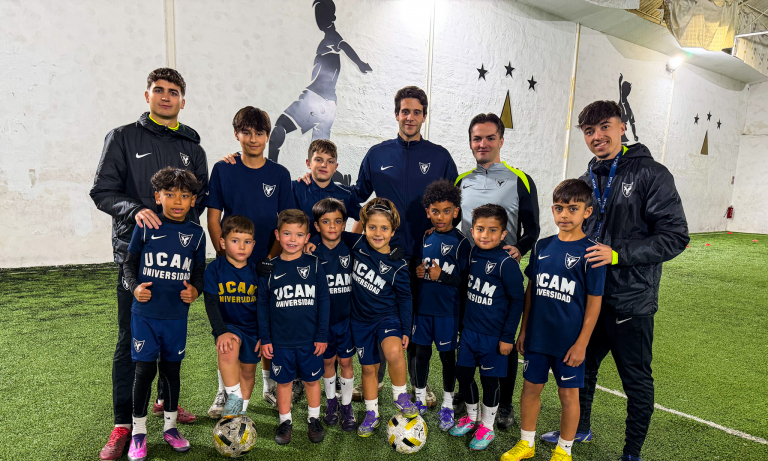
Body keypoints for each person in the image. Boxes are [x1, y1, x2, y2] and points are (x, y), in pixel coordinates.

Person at [538, 100, 688, 461]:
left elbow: (676, 236)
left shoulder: (653, 173)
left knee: (635, 382)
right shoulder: (589, 177)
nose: (597, 136)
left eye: (604, 127)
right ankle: (581, 428)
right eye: (589, 131)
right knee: (582, 366)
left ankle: (632, 452)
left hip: (630, 302)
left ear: (622, 127)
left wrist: (617, 253)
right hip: (589, 299)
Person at [90, 68, 207, 460]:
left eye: (174, 92)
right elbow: (102, 190)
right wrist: (136, 209)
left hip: (176, 265)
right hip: (137, 258)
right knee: (131, 340)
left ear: (182, 101)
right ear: (148, 96)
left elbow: (199, 200)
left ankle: (165, 405)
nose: (166, 96)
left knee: (171, 338)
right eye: (159, 90)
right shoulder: (123, 137)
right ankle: (124, 423)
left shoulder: (193, 145)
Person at [347, 85, 458, 405]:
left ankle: (418, 386)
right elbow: (355, 199)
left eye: (417, 112)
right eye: (405, 111)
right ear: (396, 114)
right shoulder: (378, 154)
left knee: (416, 321)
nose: (410, 117)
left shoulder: (440, 157)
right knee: (381, 316)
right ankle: (376, 378)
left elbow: (451, 205)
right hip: (382, 254)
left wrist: (446, 247)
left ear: (424, 116)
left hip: (424, 256)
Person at [501, 179, 606, 461]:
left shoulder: (592, 252)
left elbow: (594, 304)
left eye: (573, 209)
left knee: (568, 397)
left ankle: (564, 450)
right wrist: (524, 330)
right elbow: (531, 291)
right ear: (552, 209)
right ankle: (526, 443)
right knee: (530, 390)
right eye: (559, 208)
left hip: (569, 342)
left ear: (587, 212)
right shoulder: (542, 246)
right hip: (537, 337)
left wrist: (582, 343)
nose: (564, 215)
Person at [454, 112, 540, 427]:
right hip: (468, 276)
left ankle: (503, 406)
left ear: (501, 140)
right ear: (470, 142)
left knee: (502, 344)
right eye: (477, 138)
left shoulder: (521, 179)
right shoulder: (461, 181)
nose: (483, 143)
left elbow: (533, 227)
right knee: (467, 335)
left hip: (501, 280)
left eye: (490, 137)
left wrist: (522, 247)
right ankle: (466, 395)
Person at [206, 106, 296, 409]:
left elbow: (285, 222)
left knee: (268, 323)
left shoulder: (280, 174)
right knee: (229, 324)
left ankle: (270, 385)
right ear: (236, 134)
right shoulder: (223, 169)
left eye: (259, 133)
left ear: (268, 136)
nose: (253, 138)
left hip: (266, 263)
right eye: (246, 132)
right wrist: (224, 255)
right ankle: (225, 392)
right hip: (233, 262)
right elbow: (214, 216)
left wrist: (270, 258)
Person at [121, 168, 206, 460]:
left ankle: (170, 429)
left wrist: (195, 290)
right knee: (144, 372)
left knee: (172, 371)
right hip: (145, 315)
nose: (177, 201)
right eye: (170, 194)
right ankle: (138, 433)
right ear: (158, 197)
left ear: (193, 200)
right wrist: (134, 289)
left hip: (176, 317)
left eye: (184, 195)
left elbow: (199, 272)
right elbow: (128, 265)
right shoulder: (145, 226)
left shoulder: (196, 233)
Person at [449, 204, 525, 451]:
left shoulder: (507, 263)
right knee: (464, 375)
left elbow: (517, 300)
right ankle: (471, 418)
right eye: (480, 229)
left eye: (493, 230)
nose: (485, 235)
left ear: (504, 234)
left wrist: (507, 338)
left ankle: (487, 427)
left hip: (493, 338)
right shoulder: (473, 254)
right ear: (473, 230)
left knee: (490, 382)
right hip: (469, 333)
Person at [341, 198, 418, 437]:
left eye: (384, 228)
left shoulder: (398, 264)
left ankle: (401, 396)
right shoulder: (355, 245)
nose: (377, 233)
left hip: (387, 317)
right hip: (360, 321)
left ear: (393, 231)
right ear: (363, 227)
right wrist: (311, 245)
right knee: (368, 368)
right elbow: (328, 237)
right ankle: (372, 413)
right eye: (372, 227)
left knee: (394, 352)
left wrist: (406, 329)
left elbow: (405, 298)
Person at [269, 0, 372, 168]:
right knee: (320, 153)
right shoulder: (329, 38)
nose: (319, 20)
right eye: (317, 16)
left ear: (332, 17)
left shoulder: (332, 37)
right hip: (329, 106)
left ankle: (271, 169)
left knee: (280, 125)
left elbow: (344, 45)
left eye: (321, 16)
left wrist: (360, 63)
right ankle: (319, 185)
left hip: (315, 98)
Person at [257, 210, 331, 445]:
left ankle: (313, 419)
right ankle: (285, 420)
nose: (292, 239)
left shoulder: (316, 265)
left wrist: (321, 335)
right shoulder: (269, 269)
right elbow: (262, 305)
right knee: (284, 382)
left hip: (310, 341)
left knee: (311, 381)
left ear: (307, 237)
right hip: (281, 342)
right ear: (278, 234)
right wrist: (266, 338)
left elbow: (324, 302)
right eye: (287, 233)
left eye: (298, 235)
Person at [412, 179, 471, 431]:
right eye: (435, 211)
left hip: (447, 314)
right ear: (428, 212)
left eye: (447, 211)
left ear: (456, 211)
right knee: (421, 356)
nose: (440, 216)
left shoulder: (462, 243)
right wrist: (419, 273)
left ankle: (447, 405)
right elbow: (423, 269)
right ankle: (419, 400)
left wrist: (443, 277)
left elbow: (467, 282)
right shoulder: (424, 238)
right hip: (424, 311)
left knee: (448, 359)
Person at [203, 216, 261, 420]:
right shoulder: (214, 269)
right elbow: (210, 303)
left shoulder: (257, 272)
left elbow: (264, 306)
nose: (242, 246)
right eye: (235, 240)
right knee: (228, 349)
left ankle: (239, 413)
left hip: (253, 329)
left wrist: (265, 334)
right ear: (223, 242)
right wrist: (221, 332)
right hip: (228, 325)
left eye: (247, 241)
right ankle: (234, 397)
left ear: (254, 244)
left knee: (248, 371)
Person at [310, 198, 358, 431]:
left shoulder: (351, 248)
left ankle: (347, 406)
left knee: (346, 361)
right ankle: (331, 402)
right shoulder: (311, 252)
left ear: (344, 224)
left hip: (346, 320)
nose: (332, 226)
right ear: (317, 226)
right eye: (326, 222)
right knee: (328, 361)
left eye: (337, 222)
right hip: (322, 322)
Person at [292, 139, 353, 235]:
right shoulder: (294, 188)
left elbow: (364, 217)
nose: (324, 165)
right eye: (318, 160)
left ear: (336, 167)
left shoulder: (345, 195)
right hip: (300, 249)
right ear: (308, 163)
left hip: (333, 249)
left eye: (330, 161)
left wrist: (352, 242)